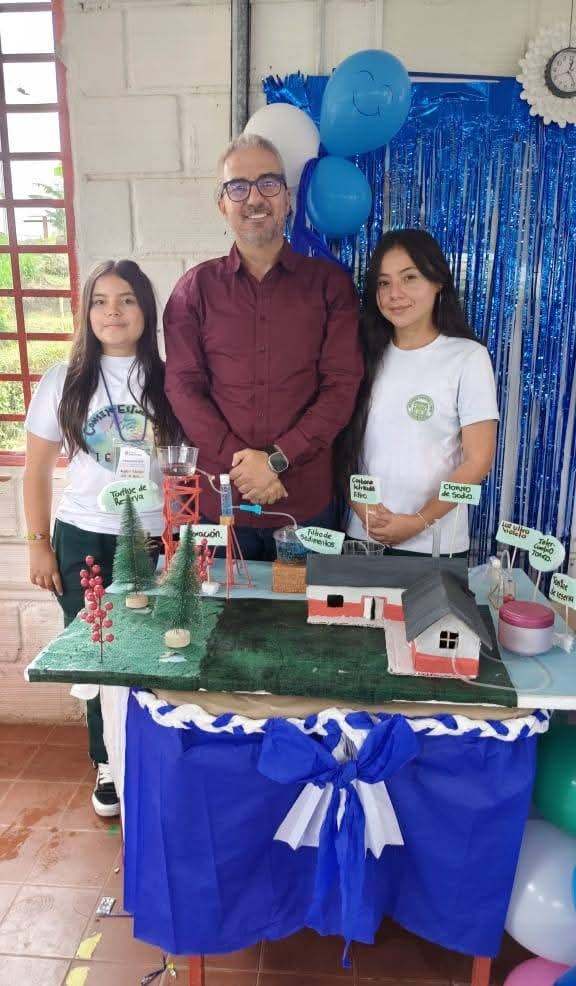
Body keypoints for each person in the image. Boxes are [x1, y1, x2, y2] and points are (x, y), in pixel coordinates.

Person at [23, 260, 181, 816]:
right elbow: (36, 470)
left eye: (127, 300)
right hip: (82, 536)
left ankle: (153, 756)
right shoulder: (63, 379)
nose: (113, 312)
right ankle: (108, 761)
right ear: (86, 312)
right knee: (96, 652)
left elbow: (188, 466)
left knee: (156, 650)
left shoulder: (172, 378)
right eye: (100, 301)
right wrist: (38, 542)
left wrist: (183, 539)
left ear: (146, 310)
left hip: (154, 539)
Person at [163, 133, 363, 560]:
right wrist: (243, 463)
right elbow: (182, 389)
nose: (254, 198)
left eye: (268, 183)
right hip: (218, 505)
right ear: (222, 203)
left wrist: (275, 459)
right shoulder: (193, 290)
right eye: (238, 186)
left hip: (304, 505)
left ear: (287, 199)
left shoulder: (331, 287)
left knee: (306, 607)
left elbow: (342, 387)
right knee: (217, 606)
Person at [339, 228, 498, 555]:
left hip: (437, 542)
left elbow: (478, 459)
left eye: (409, 278)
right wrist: (359, 506)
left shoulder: (468, 356)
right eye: (384, 283)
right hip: (364, 534)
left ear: (438, 282)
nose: (394, 294)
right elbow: (339, 442)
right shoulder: (361, 353)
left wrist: (419, 521)